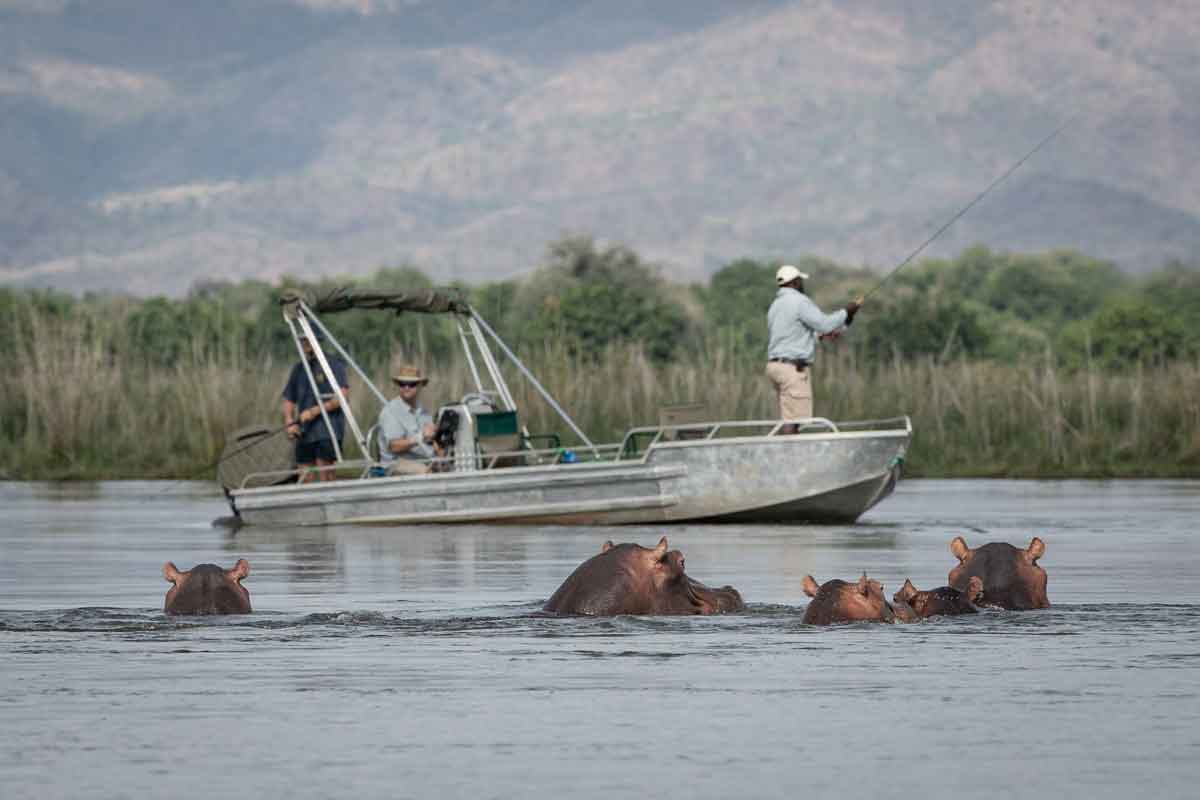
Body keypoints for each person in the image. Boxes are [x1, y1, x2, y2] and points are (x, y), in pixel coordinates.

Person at [766, 264, 862, 433]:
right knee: (795, 420)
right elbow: (824, 324)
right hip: (792, 370)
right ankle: (790, 457)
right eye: (800, 281)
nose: (802, 284)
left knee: (789, 418)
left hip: (775, 367)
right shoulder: (799, 301)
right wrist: (847, 311)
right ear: (795, 282)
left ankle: (788, 454)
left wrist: (837, 327)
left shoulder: (775, 305)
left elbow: (794, 336)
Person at [282, 329, 350, 483]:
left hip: (327, 430)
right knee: (305, 477)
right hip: (305, 432)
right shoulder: (298, 368)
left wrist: (315, 411)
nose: (305, 344)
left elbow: (342, 396)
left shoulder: (333, 364)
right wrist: (288, 421)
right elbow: (288, 398)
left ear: (317, 341)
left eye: (308, 340)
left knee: (326, 474)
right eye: (302, 341)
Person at [376, 363, 439, 475]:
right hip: (395, 463)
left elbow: (431, 442)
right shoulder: (390, 411)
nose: (406, 387)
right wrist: (421, 437)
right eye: (402, 384)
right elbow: (394, 447)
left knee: (450, 466)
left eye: (412, 384)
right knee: (426, 471)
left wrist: (440, 452)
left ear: (420, 385)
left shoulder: (424, 413)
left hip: (423, 460)